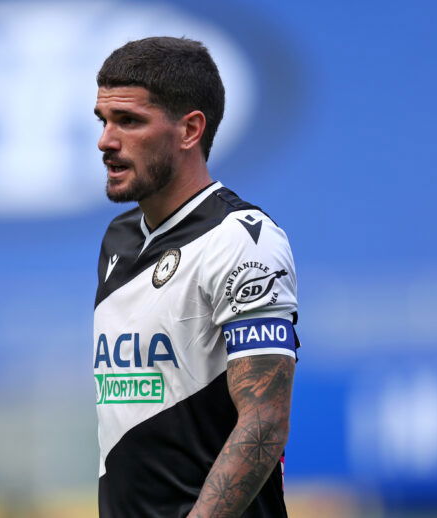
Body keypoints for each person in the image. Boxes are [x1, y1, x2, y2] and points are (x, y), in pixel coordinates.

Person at [92, 37, 299, 518]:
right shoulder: (118, 240)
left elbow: (265, 420)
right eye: (103, 121)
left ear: (190, 129)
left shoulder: (242, 240)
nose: (106, 140)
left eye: (129, 121)